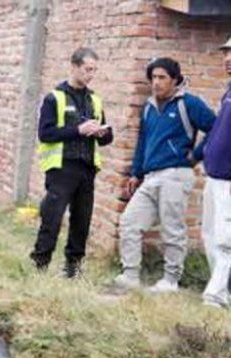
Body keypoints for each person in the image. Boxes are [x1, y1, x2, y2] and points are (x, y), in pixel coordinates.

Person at [114, 58, 216, 293]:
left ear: (175, 80)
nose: (156, 83)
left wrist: (195, 155)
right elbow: (143, 142)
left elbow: (216, 128)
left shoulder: (188, 103)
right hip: (150, 177)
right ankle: (130, 275)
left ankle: (171, 281)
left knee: (172, 229)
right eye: (153, 78)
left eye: (162, 78)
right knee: (129, 222)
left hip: (176, 175)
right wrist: (136, 173)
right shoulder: (149, 107)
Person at [30, 48, 114, 278]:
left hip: (87, 168)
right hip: (61, 168)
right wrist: (78, 130)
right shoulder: (54, 98)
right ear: (74, 66)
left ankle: (73, 269)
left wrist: (100, 133)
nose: (91, 74)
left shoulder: (95, 100)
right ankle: (40, 264)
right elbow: (45, 134)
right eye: (88, 69)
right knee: (52, 218)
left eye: (94, 70)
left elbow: (108, 138)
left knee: (81, 221)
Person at [193, 38, 231, 309]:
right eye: (226, 53)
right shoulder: (228, 91)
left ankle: (215, 296)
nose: (227, 59)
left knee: (225, 238)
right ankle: (222, 289)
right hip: (214, 175)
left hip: (229, 178)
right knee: (209, 234)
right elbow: (219, 129)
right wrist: (198, 154)